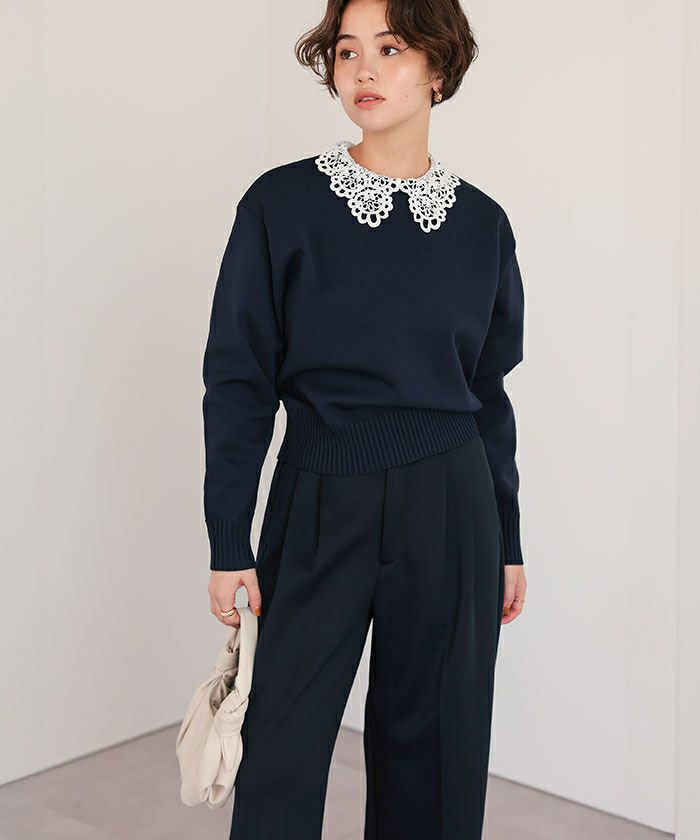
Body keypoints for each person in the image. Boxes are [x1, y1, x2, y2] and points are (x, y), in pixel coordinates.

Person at [202, 0, 527, 837]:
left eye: (391, 48)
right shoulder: (281, 204)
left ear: (438, 69)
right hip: (320, 494)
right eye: (347, 52)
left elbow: (489, 392)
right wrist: (229, 539)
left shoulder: (484, 225)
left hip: (453, 504)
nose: (364, 69)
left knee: (437, 751)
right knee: (279, 745)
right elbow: (238, 379)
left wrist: (509, 537)